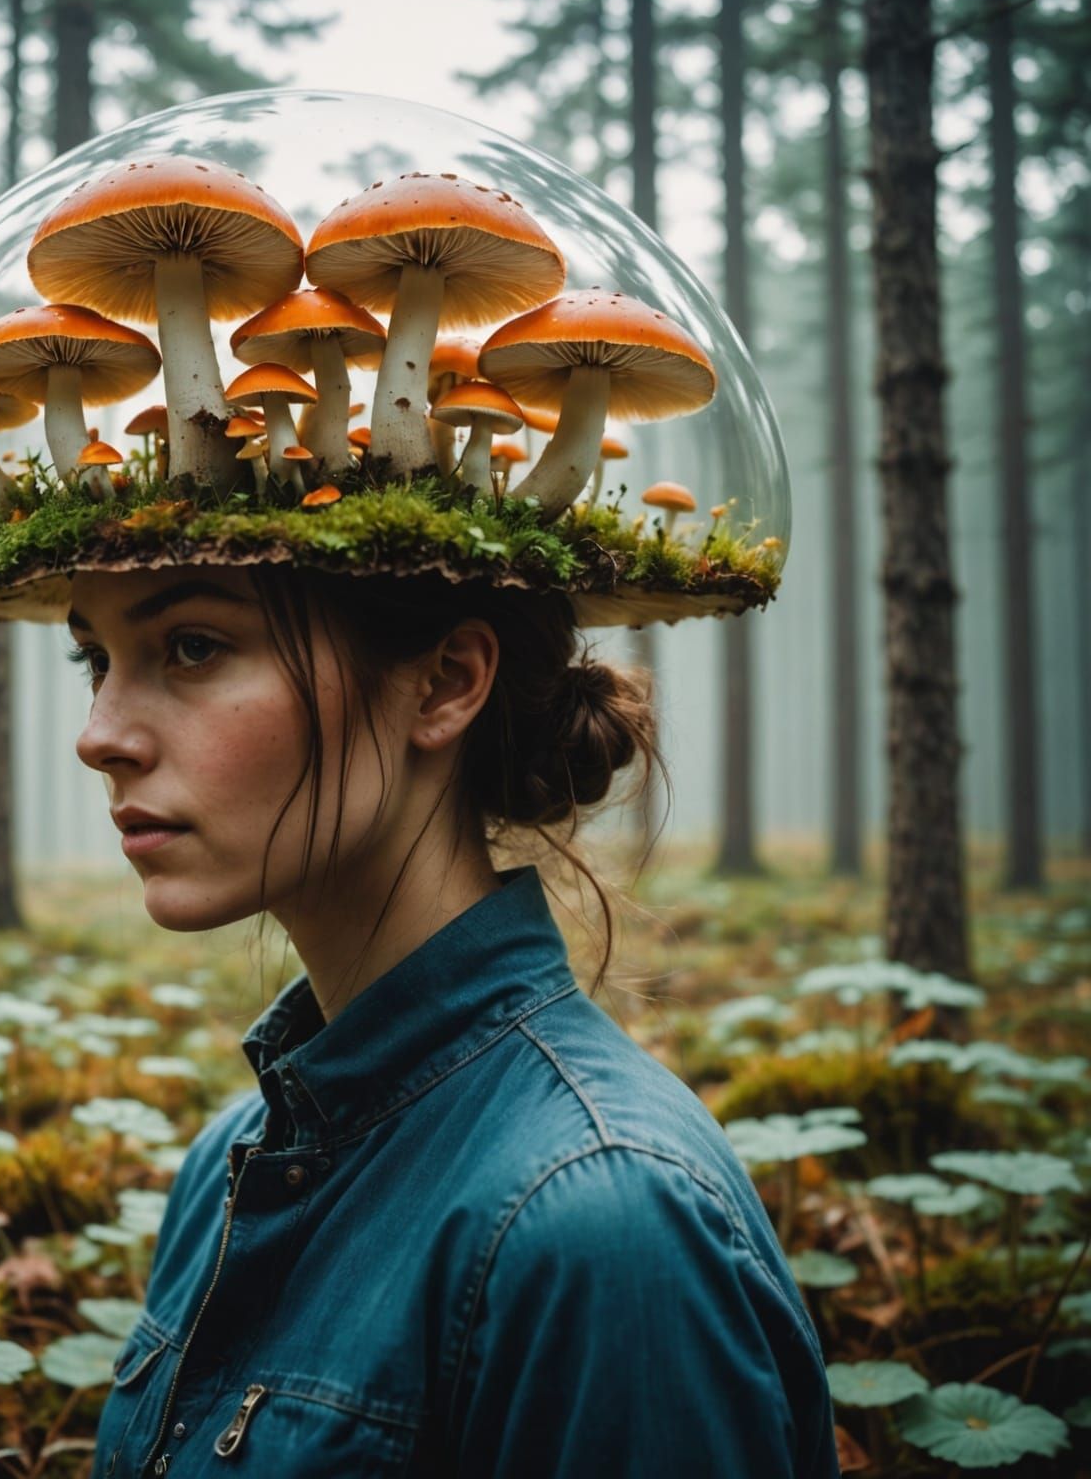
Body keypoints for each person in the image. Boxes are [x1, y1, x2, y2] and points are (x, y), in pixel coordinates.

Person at [68, 559, 842, 1479]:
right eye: (95, 661)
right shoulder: (229, 1171)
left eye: (193, 647)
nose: (99, 735)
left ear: (442, 685)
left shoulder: (605, 1224)